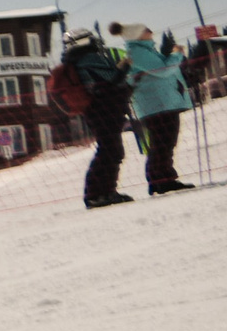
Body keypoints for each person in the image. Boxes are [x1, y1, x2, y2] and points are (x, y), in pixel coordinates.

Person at [114, 21, 193, 195]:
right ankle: (162, 180)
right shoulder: (137, 52)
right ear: (137, 35)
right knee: (163, 142)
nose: (151, 31)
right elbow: (164, 70)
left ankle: (161, 179)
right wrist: (177, 55)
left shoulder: (145, 51)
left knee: (164, 142)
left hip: (161, 103)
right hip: (157, 104)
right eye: (146, 30)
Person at [67, 28, 136, 209]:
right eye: (90, 39)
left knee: (110, 150)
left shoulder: (75, 61)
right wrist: (124, 66)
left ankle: (105, 191)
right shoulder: (90, 58)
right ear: (83, 42)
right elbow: (112, 79)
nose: (95, 42)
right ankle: (97, 194)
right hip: (106, 110)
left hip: (98, 111)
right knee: (110, 151)